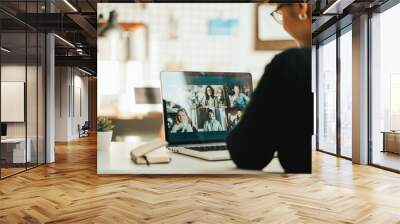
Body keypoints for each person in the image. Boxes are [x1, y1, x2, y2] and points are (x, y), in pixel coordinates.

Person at [226, 3, 313, 173]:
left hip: (300, 190)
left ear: (302, 8)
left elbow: (248, 154)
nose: (281, 20)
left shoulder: (292, 62)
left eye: (280, 13)